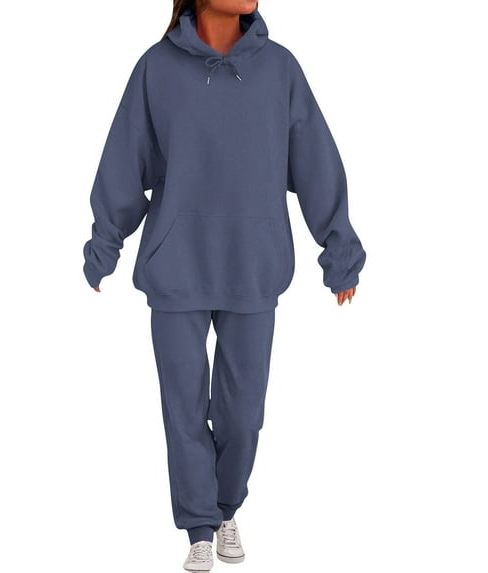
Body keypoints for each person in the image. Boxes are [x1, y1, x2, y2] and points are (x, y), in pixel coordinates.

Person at [82, 0, 367, 570]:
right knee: (183, 411)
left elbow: (315, 161)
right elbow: (124, 158)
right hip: (175, 268)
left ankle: (224, 506)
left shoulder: (280, 69)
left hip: (253, 267)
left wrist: (340, 251)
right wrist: (104, 245)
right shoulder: (156, 69)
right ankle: (199, 527)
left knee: (242, 415)